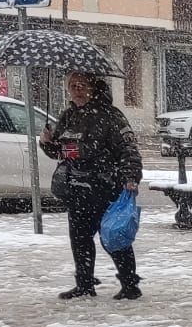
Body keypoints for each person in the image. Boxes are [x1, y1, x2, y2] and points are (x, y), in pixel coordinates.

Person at [42, 72, 143, 300]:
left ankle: (129, 285)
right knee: (79, 239)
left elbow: (128, 149)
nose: (77, 89)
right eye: (73, 85)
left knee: (113, 237)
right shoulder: (68, 116)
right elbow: (60, 151)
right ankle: (84, 284)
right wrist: (46, 142)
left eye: (82, 85)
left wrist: (130, 177)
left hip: (105, 186)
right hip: (76, 188)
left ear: (92, 88)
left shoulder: (110, 116)